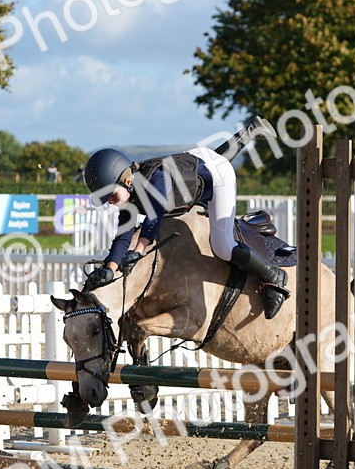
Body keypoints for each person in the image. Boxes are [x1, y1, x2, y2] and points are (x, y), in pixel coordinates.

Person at [81, 116, 289, 319]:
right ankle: (249, 131)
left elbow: (153, 217)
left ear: (126, 180)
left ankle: (272, 276)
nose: (109, 201)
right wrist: (109, 269)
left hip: (218, 178)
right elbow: (122, 237)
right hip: (200, 162)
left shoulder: (157, 179)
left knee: (223, 246)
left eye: (110, 195)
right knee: (214, 163)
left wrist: (138, 251)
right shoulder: (129, 195)